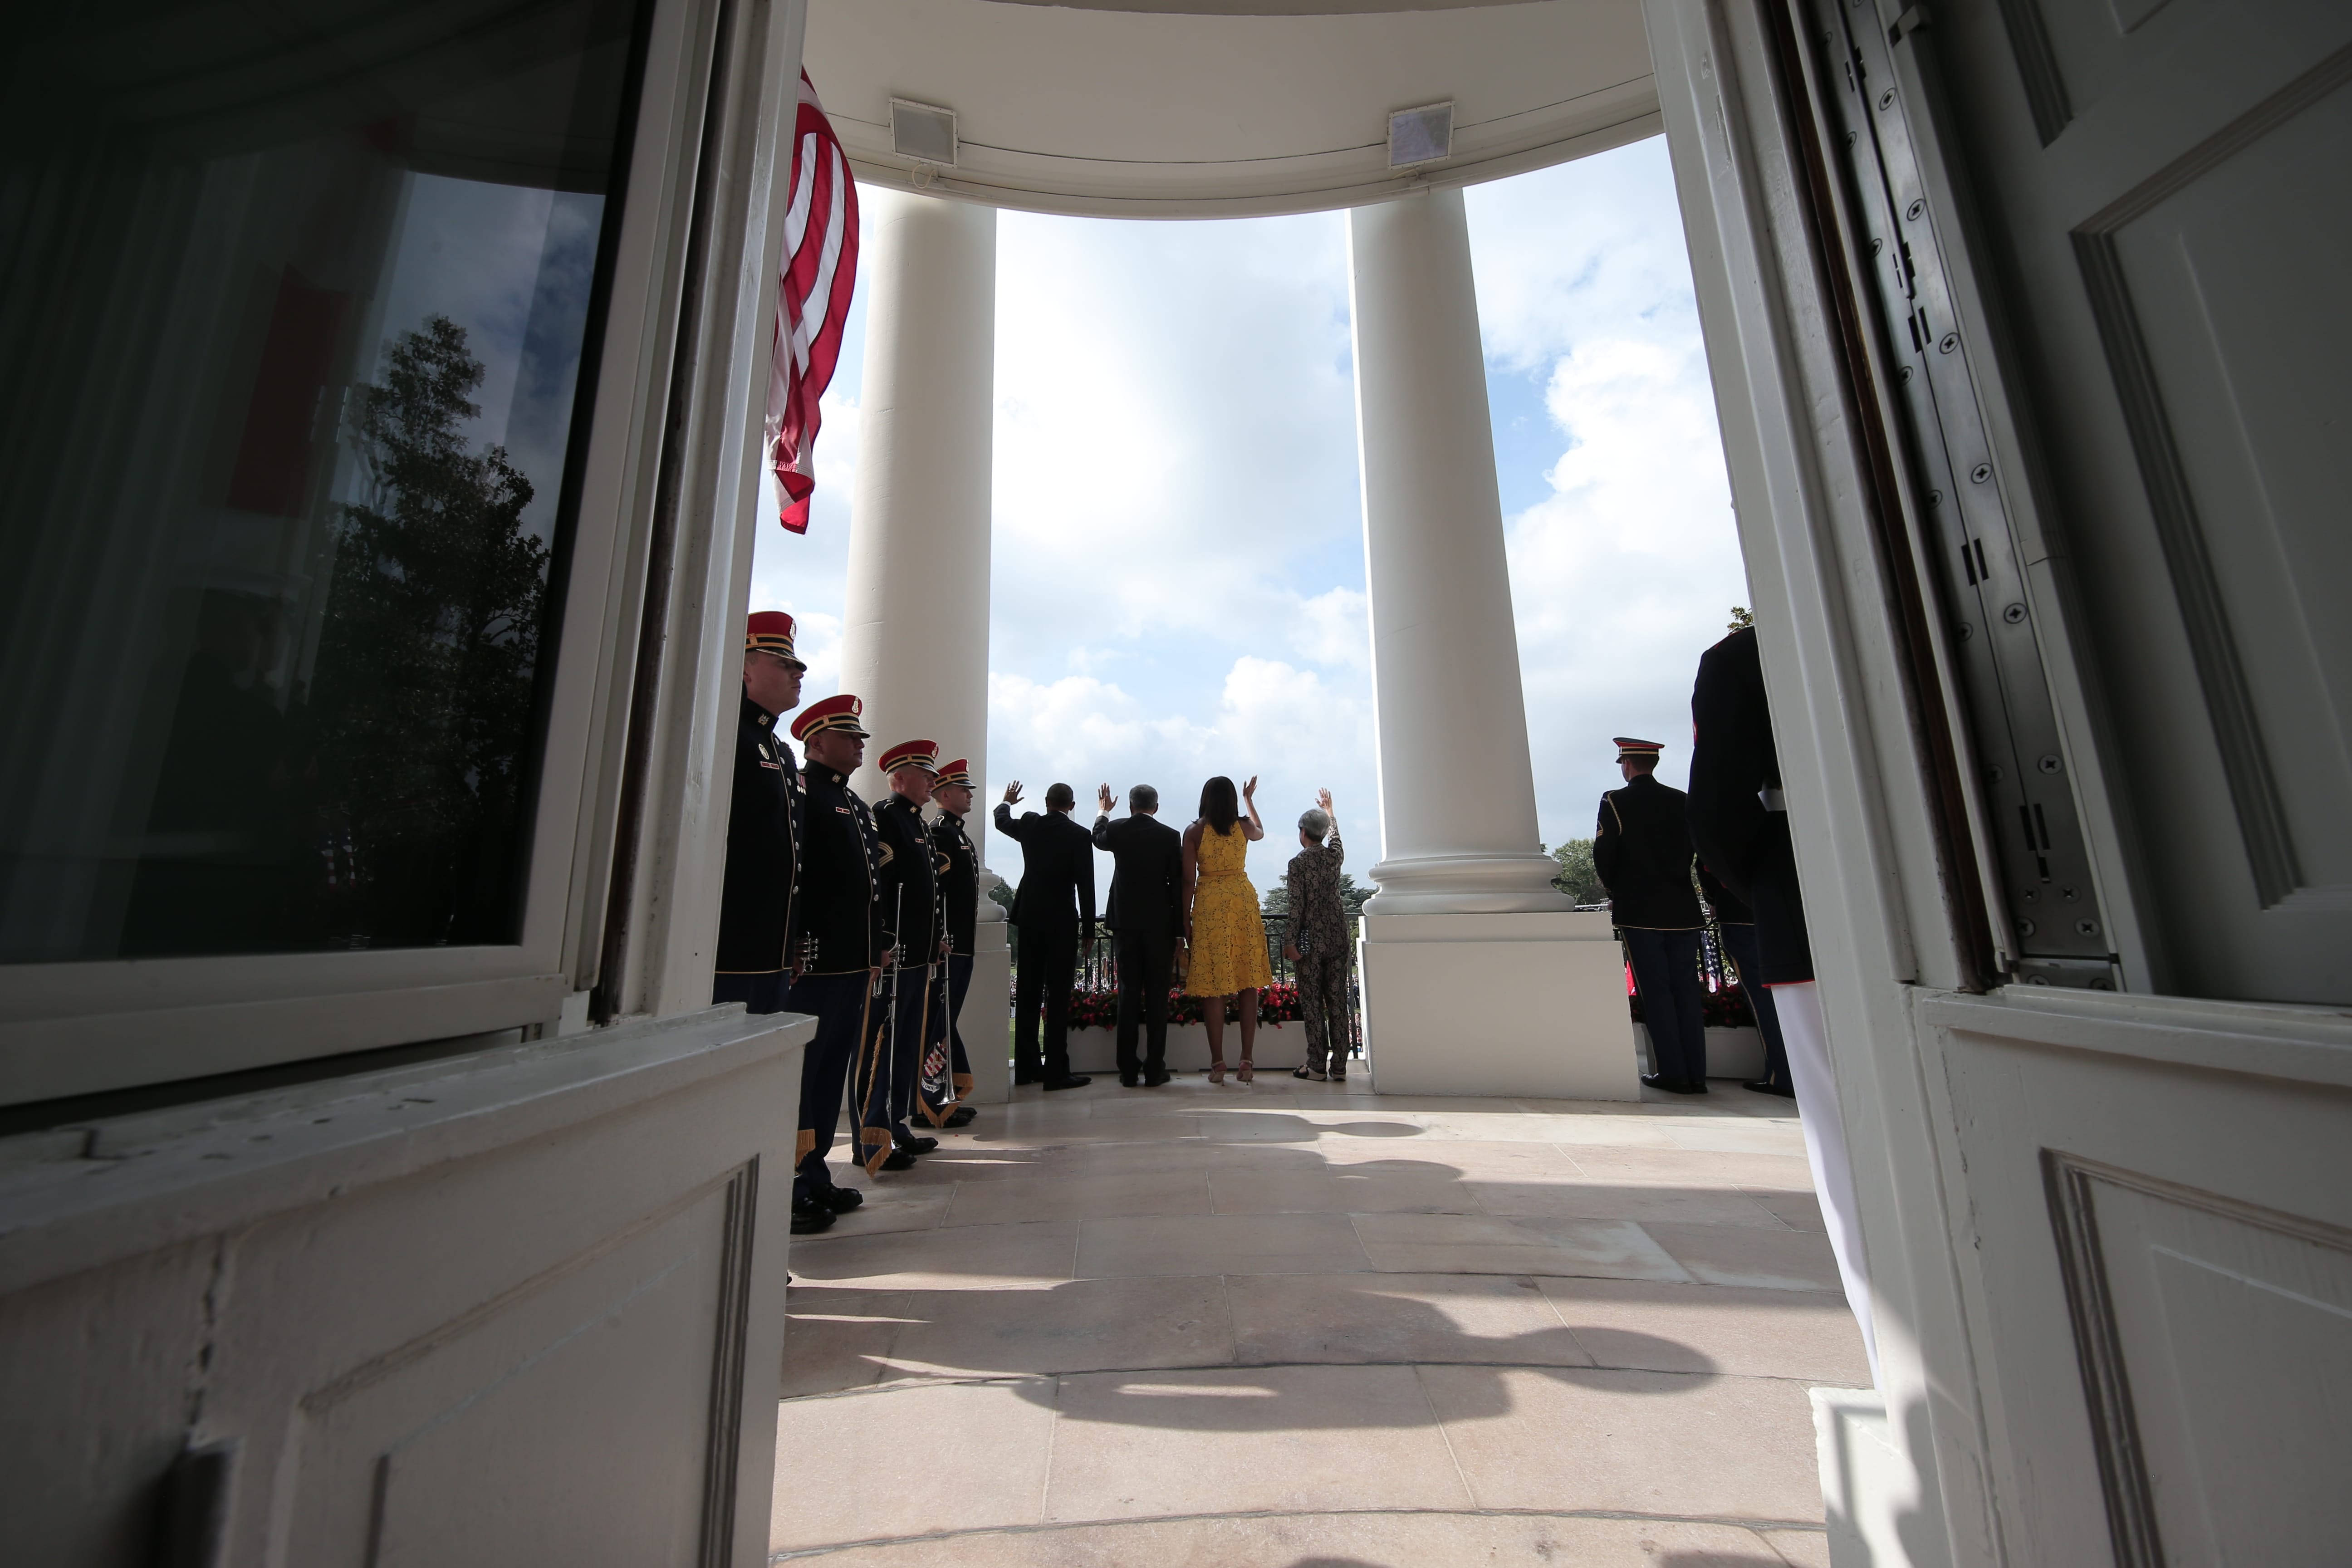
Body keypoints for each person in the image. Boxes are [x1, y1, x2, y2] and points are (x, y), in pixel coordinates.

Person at [1688, 621, 1877, 1387]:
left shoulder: (1743, 657)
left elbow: (1721, 814)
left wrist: (1757, 887)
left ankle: (1890, 1349)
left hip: (1801, 895)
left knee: (1846, 1146)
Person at [784, 692, 891, 1230]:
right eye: (850, 738)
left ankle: (817, 1173)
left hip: (851, 963)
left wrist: (876, 947)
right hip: (816, 962)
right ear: (817, 743)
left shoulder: (856, 807)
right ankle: (793, 1185)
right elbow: (795, 874)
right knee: (802, 1077)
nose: (859, 746)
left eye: (860, 738)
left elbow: (870, 888)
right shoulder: (803, 794)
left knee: (829, 1074)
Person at [1593, 737, 1710, 1095]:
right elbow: (1696, 851)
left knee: (1656, 994)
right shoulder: (1682, 801)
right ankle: (1696, 1075)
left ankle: (1673, 1073)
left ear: (1627, 764)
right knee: (1687, 993)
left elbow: (1605, 854)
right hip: (1683, 910)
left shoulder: (1615, 801)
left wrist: (1617, 891)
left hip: (1640, 910)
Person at [857, 739, 949, 1171]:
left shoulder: (919, 824)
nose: (933, 781)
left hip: (917, 957)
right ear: (898, 778)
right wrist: (882, 941)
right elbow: (883, 887)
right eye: (925, 774)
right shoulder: (886, 818)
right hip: (895, 957)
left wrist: (935, 942)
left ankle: (895, 1125)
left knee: (905, 1046)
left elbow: (926, 897)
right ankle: (870, 1136)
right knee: (880, 1047)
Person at [714, 611, 806, 1021]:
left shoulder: (780, 750)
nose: (797, 674)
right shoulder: (724, 733)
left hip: (774, 952)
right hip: (727, 950)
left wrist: (792, 944)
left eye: (797, 666)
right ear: (745, 668)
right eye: (784, 664)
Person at [993, 781, 1096, 1090]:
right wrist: (1089, 929)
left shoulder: (1030, 824)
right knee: (1058, 994)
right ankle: (1056, 1071)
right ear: (1072, 806)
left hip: (1031, 917)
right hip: (1062, 921)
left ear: (1047, 801)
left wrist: (1006, 801)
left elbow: (1001, 821)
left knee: (1028, 992)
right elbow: (1086, 885)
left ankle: (1026, 1069)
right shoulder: (1079, 836)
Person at [1182, 774, 1273, 1084]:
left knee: (1213, 984)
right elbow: (1260, 832)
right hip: (1242, 901)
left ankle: (1218, 1063)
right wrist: (1250, 801)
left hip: (1209, 903)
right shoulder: (1243, 827)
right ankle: (1246, 1061)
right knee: (1248, 983)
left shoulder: (1195, 831)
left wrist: (1184, 920)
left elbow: (1186, 881)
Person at [1093, 782, 1184, 1088]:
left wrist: (1104, 812)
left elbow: (1097, 838)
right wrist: (1179, 932)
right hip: (1160, 925)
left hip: (1125, 923)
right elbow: (1177, 885)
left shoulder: (1118, 829)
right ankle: (1155, 1069)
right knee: (1158, 998)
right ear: (1155, 808)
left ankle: (1128, 1070)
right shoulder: (1171, 836)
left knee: (1129, 994)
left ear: (1131, 806)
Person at [1698, 859, 1793, 1096]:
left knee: (1762, 997)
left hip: (1740, 910)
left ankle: (1782, 1074)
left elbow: (1709, 860)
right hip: (1785, 906)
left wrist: (1713, 898)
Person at [922, 759, 982, 1129]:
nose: (969, 794)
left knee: (946, 1021)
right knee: (937, 1023)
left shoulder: (958, 834)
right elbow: (937, 893)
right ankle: (930, 1099)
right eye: (963, 790)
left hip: (962, 946)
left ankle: (945, 1094)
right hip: (949, 947)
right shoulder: (942, 833)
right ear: (944, 795)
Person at [1282, 788, 1350, 1083]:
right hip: (1338, 938)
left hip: (1310, 943)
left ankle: (1317, 1065)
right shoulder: (1335, 857)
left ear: (1303, 832)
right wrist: (1331, 814)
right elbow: (1336, 839)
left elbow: (1296, 907)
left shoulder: (1298, 864)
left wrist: (1289, 941)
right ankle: (1340, 1067)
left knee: (1313, 1005)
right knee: (1338, 1003)